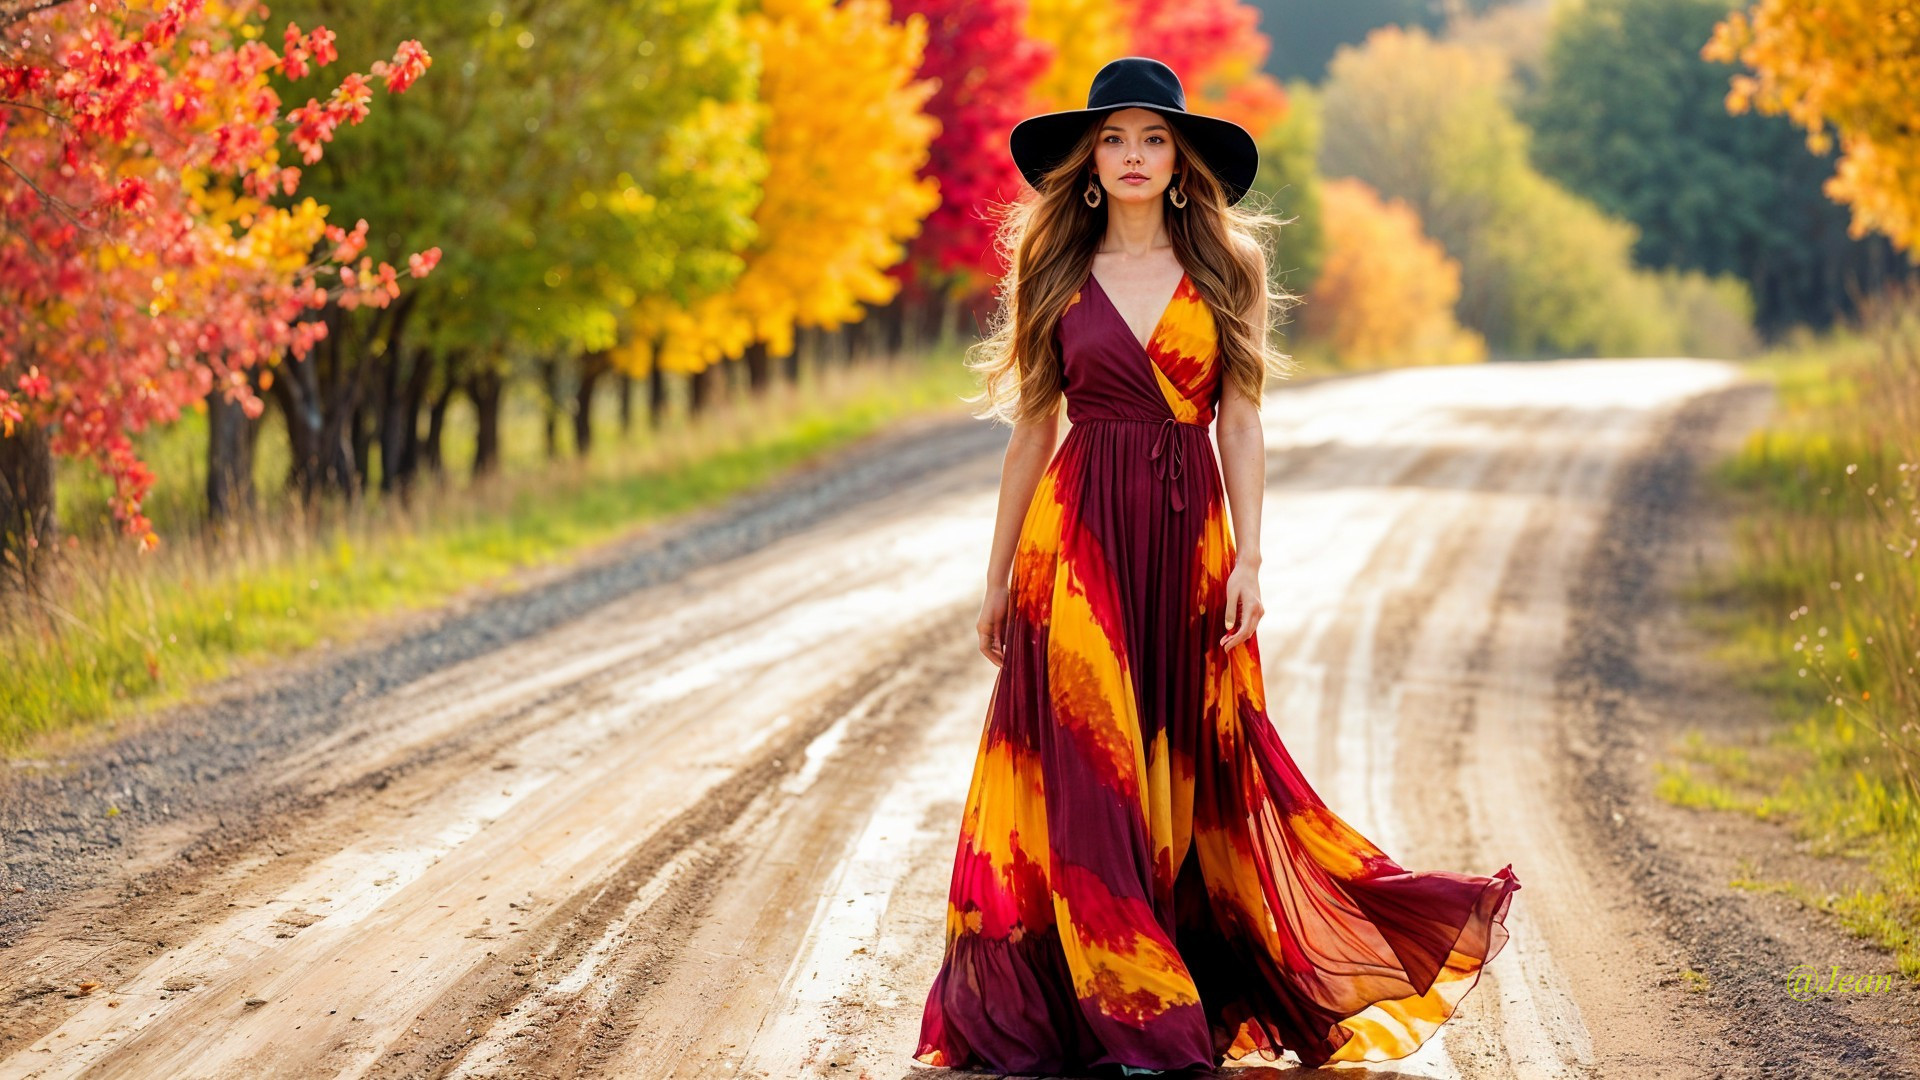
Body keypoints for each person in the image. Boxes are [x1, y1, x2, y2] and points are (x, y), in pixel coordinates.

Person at [910, 56, 1522, 1077]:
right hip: (1078, 540)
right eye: (1114, 139)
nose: (1134, 156)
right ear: (1090, 162)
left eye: (1153, 139)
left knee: (1194, 772)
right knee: (1094, 771)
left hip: (1190, 539)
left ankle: (1180, 980)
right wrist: (996, 576)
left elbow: (1241, 420)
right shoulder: (1054, 268)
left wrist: (1250, 559)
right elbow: (1032, 431)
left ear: (1180, 159)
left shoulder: (1227, 267)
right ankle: (1128, 1011)